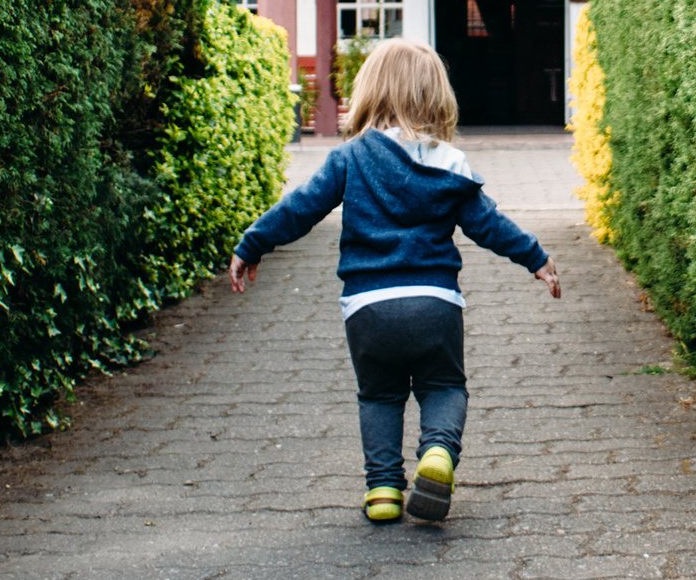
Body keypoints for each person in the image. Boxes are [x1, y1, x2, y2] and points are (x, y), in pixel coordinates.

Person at [227, 39, 562, 524]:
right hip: (435, 304)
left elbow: (300, 208)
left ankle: (383, 490)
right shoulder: (450, 162)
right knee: (444, 387)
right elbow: (487, 223)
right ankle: (438, 454)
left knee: (379, 394)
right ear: (436, 97)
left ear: (371, 91)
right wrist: (536, 258)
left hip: (368, 307)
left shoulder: (350, 157)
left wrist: (252, 244)